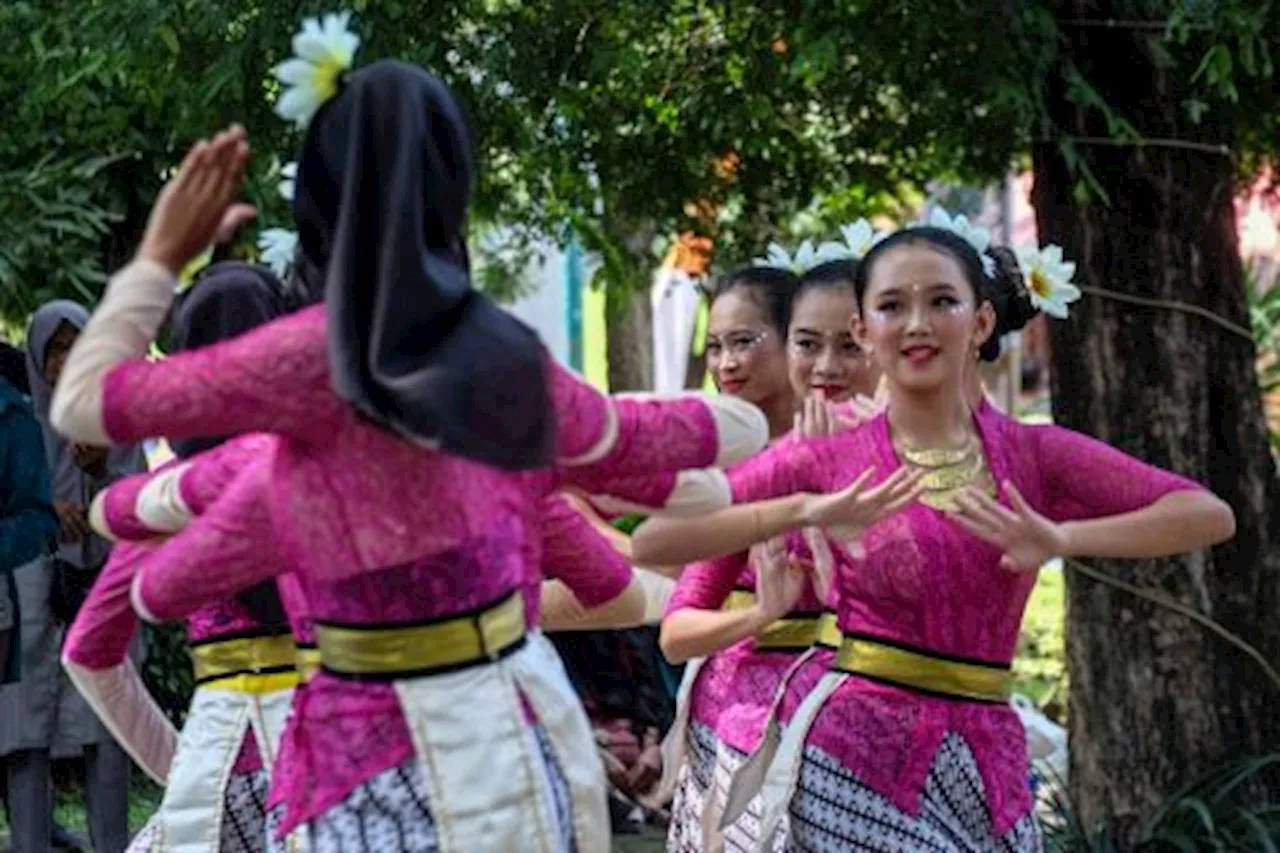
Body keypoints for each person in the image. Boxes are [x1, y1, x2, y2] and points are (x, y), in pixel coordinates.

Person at [49, 50, 765, 853]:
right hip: (505, 741)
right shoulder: (500, 364)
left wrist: (160, 256)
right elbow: (637, 478)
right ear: (455, 190)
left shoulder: (295, 374)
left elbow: (86, 411)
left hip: (338, 760)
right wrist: (741, 448)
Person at [635, 224, 1235, 851]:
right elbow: (655, 542)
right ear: (867, 330)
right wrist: (798, 510)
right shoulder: (825, 454)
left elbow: (1207, 513)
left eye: (941, 302)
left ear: (979, 323)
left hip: (987, 760)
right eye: (893, 306)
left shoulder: (1033, 454)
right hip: (851, 756)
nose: (917, 323)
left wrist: (1061, 536)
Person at [0, 302, 145, 853]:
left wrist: (102, 472)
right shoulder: (15, 420)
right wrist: (46, 508)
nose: (66, 360)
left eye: (76, 346)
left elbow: (145, 510)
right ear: (37, 356)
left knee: (105, 726)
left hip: (104, 586)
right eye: (55, 349)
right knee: (25, 730)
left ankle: (112, 844)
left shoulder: (118, 418)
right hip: (30, 590)